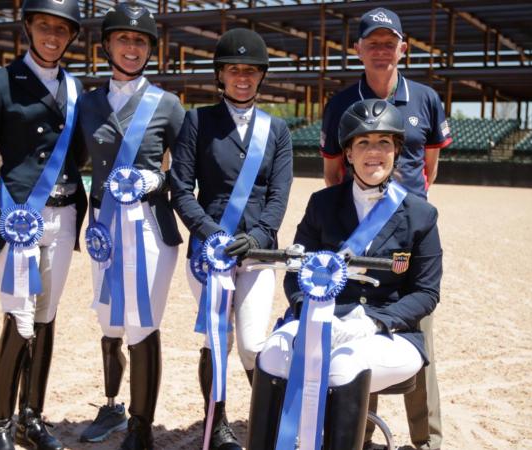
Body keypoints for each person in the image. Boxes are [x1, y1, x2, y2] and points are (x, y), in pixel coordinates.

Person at [247, 99, 443, 450]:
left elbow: (426, 293)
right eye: (363, 143)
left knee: (342, 365)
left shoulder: (421, 214)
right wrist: (310, 312)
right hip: (320, 320)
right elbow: (297, 272)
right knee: (272, 353)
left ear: (396, 151)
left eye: (384, 143)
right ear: (348, 154)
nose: (374, 152)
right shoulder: (322, 204)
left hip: (389, 334)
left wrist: (375, 323)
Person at [319, 7, 451, 449]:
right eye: (372, 42)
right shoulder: (339, 103)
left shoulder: (427, 99)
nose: (381, 50)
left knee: (418, 327)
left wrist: (405, 209)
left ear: (403, 48)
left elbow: (429, 166)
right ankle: (358, 429)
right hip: (357, 230)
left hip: (408, 232)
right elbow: (333, 173)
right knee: (355, 322)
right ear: (358, 49)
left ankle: (426, 438)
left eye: (388, 42)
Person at [0, 1, 85, 449]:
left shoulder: (76, 89)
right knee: (20, 322)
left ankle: (29, 418)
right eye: (43, 27)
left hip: (66, 213)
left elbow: (81, 154)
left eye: (61, 30)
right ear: (28, 29)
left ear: (71, 36)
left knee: (47, 318)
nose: (52, 36)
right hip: (20, 217)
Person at [169, 28, 293, 450]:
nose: (242, 77)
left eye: (251, 70)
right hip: (209, 255)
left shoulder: (278, 131)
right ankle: (217, 424)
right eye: (233, 69)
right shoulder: (197, 121)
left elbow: (278, 195)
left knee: (254, 343)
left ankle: (264, 422)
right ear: (220, 75)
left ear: (262, 76)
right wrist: (211, 234)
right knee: (216, 338)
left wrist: (258, 235)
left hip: (258, 254)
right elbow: (181, 189)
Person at [73, 3, 184, 450]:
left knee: (143, 322)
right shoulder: (87, 105)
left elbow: (190, 170)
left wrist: (157, 177)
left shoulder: (168, 105)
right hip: (103, 228)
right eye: (124, 38)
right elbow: (68, 164)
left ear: (150, 49)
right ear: (107, 46)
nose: (132, 46)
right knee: (108, 321)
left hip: (150, 229)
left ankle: (141, 425)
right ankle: (113, 404)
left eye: (140, 40)